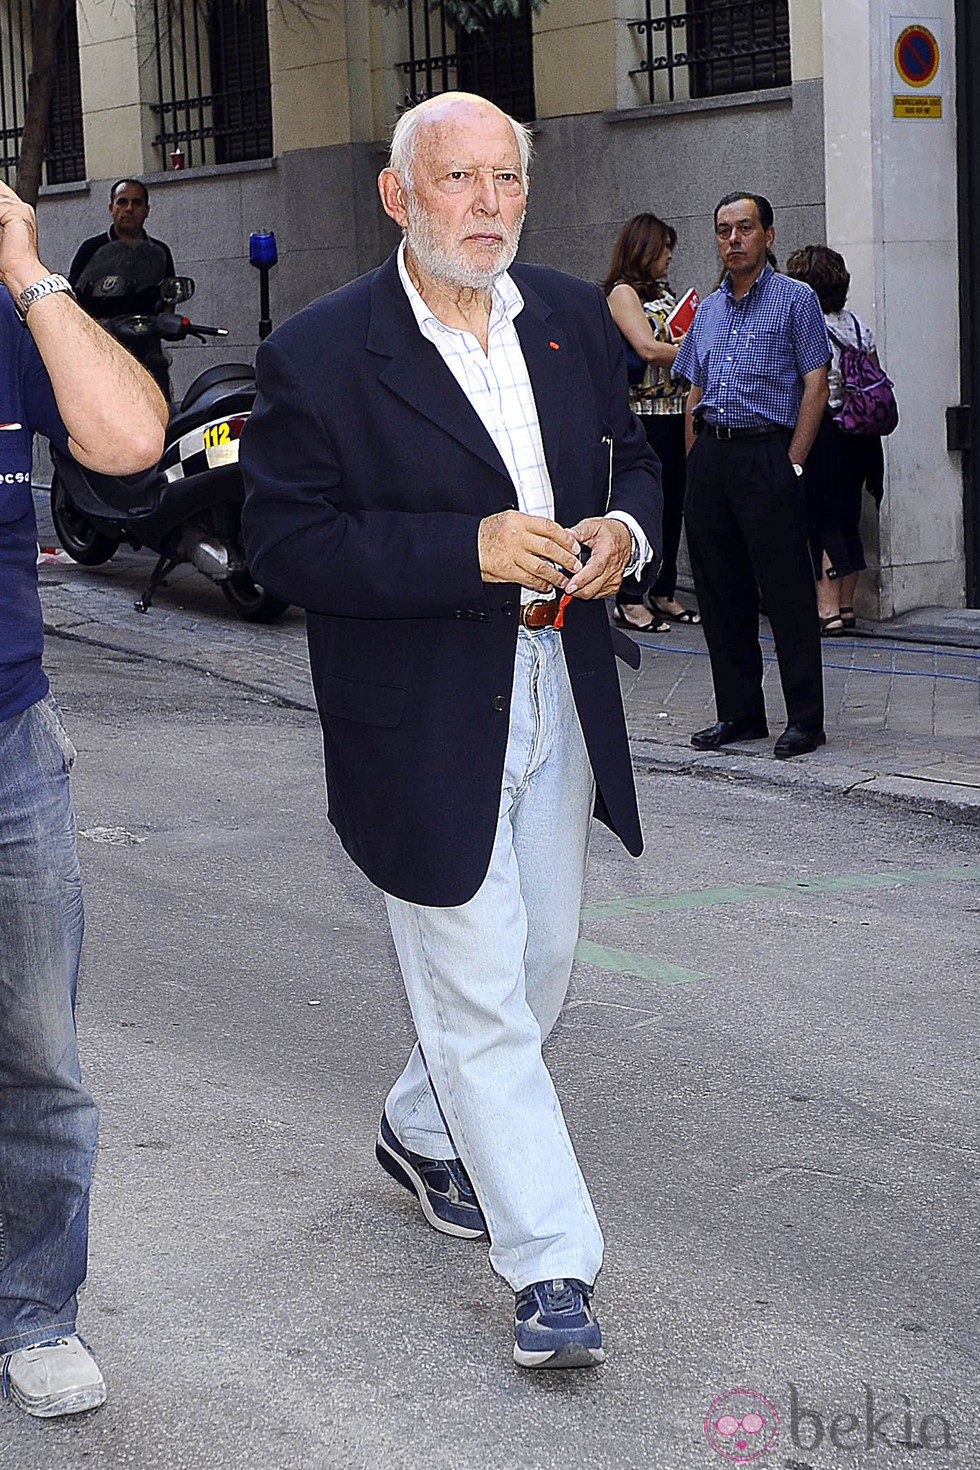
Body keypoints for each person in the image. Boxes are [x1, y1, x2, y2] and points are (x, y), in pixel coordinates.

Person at [240, 92, 662, 1370]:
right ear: (397, 195)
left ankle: (422, 1128)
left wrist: (622, 537)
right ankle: (552, 1269)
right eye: (457, 182)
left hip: (558, 685)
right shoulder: (321, 354)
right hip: (418, 713)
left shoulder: (574, 321)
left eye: (503, 182)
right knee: (479, 994)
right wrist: (464, 550)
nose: (485, 207)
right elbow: (284, 542)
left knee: (535, 974)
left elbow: (632, 463)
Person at [0, 183, 167, 1415]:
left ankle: (36, 1312)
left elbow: (126, 440)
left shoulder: (17, 309)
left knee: (40, 1058)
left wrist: (29, 270)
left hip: (9, 735)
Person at [673, 192, 831, 760]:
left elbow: (816, 384)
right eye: (722, 230)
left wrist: (793, 460)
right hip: (713, 459)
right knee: (720, 593)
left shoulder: (796, 300)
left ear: (767, 234)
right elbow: (694, 389)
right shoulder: (708, 310)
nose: (733, 239)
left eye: (744, 228)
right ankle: (740, 715)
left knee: (787, 592)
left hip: (769, 454)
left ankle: (805, 720)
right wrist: (695, 465)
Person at [604, 214, 700, 631]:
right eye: (663, 247)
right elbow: (645, 348)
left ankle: (663, 590)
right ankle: (629, 595)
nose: (668, 256)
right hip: (641, 415)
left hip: (678, 411)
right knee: (644, 502)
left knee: (674, 503)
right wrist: (694, 351)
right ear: (643, 249)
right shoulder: (622, 292)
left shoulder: (665, 292)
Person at [784, 245, 885, 634]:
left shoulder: (810, 329)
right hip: (860, 435)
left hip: (824, 431)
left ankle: (825, 609)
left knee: (820, 520)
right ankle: (845, 606)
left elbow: (809, 387)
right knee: (848, 518)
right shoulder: (858, 325)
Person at [69, 179, 177, 399]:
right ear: (111, 208)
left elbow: (168, 299)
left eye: (136, 203)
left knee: (162, 411)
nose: (129, 208)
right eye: (122, 202)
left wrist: (169, 323)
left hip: (147, 350)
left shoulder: (160, 252)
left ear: (146, 210)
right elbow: (73, 300)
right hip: (102, 350)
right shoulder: (91, 249)